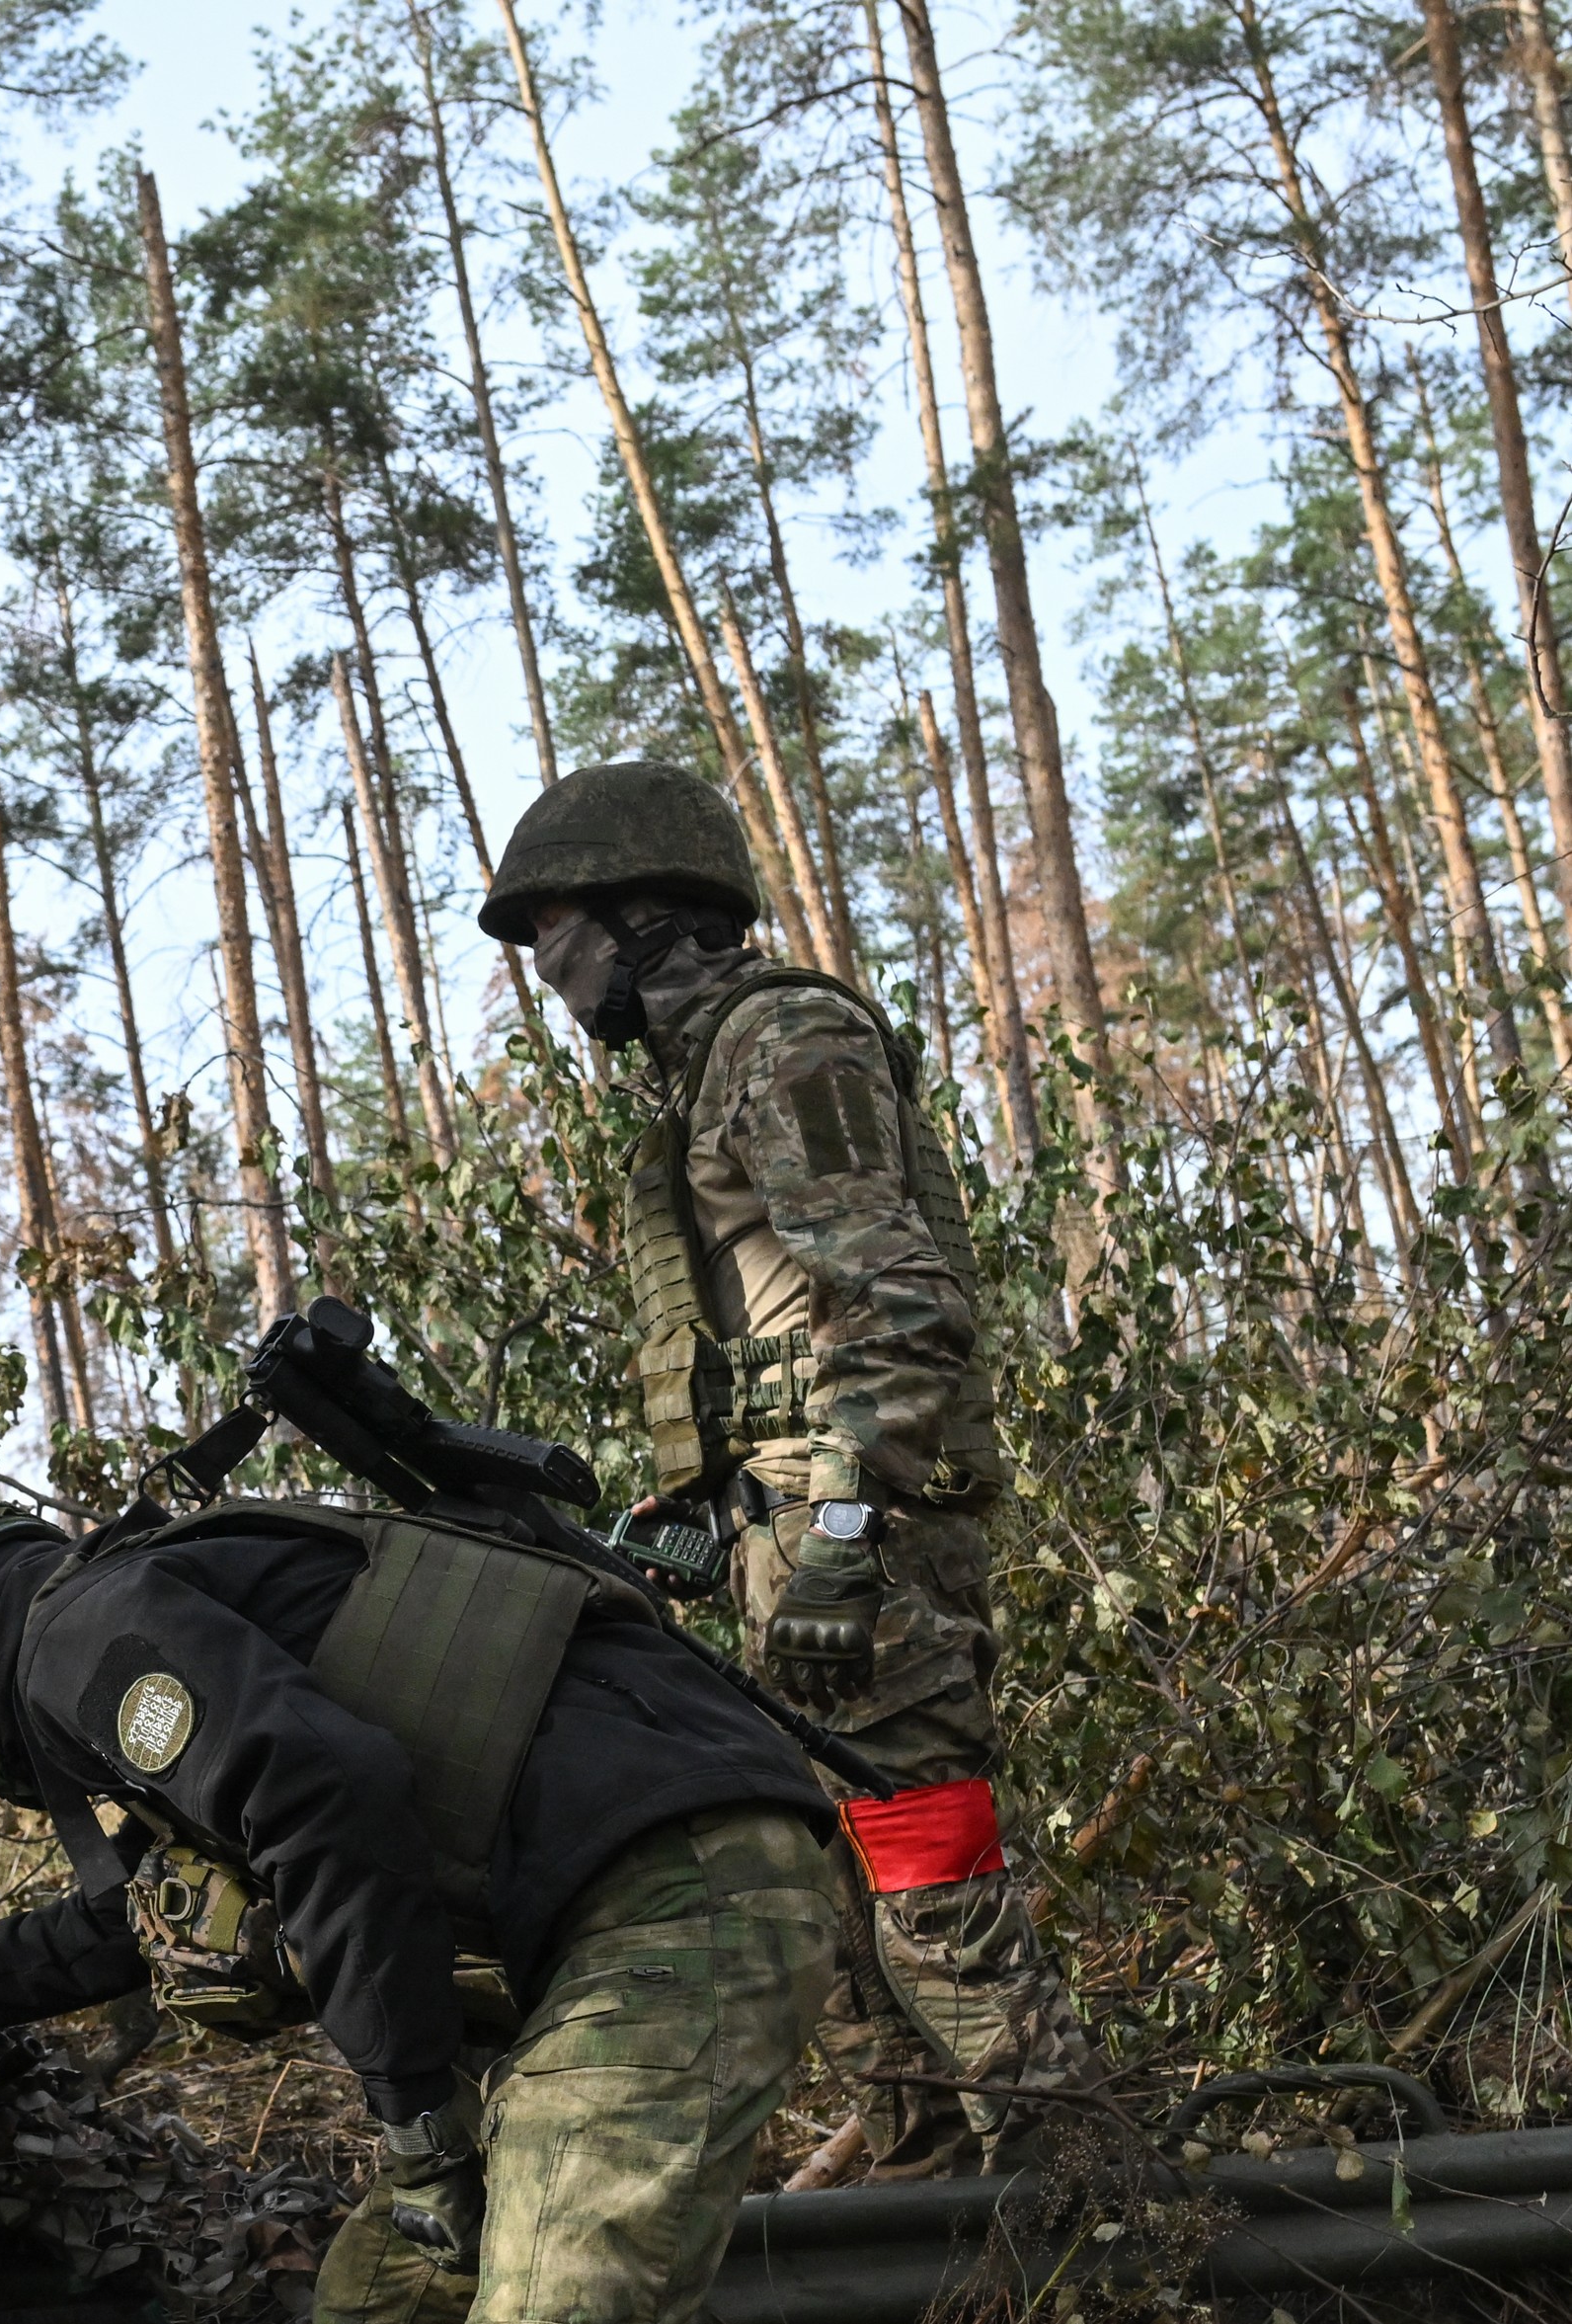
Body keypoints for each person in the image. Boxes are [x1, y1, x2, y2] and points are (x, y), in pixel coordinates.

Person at [0, 1482, 839, 2324]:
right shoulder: (142, 1613)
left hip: (673, 1893)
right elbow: (131, 1924)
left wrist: (416, 2118)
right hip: (610, 1904)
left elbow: (327, 1794)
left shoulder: (79, 1636)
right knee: (382, 2297)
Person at [474, 757, 1097, 2178]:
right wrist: (705, 1498)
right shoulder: (699, 1081)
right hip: (792, 1541)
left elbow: (894, 1302)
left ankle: (1093, 2213)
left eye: (553, 925)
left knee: (928, 1881)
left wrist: (838, 1529)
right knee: (828, 1896)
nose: (544, 964)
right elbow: (770, 1336)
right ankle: (933, 2190)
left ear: (644, 913)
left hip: (857, 1550)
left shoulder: (784, 1041)